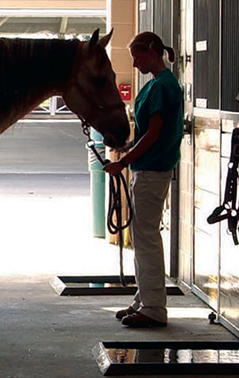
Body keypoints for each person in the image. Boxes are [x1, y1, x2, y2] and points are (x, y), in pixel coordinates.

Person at [103, 31, 183, 328]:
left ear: (152, 51)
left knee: (146, 239)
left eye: (137, 57)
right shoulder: (159, 85)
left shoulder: (161, 87)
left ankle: (153, 308)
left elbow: (154, 134)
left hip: (151, 171)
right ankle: (144, 298)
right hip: (149, 168)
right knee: (142, 237)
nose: (135, 63)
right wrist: (126, 148)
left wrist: (124, 161)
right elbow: (146, 134)